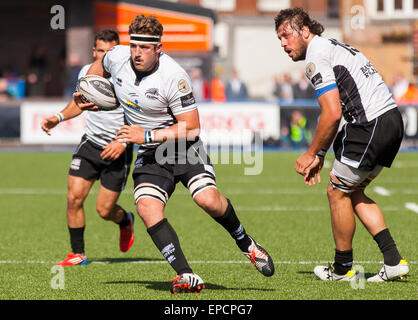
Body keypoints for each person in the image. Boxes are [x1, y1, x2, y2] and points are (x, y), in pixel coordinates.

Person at [77, 15, 274, 294]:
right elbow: (100, 65)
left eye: (145, 48)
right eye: (134, 46)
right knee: (146, 207)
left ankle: (246, 243)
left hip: (180, 146)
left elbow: (192, 128)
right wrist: (90, 90)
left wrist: (145, 134)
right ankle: (186, 274)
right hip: (149, 152)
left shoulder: (174, 76)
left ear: (159, 48)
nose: (137, 53)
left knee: (208, 200)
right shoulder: (117, 56)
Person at [275, 8, 409, 282]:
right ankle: (393, 261)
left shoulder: (315, 55)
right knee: (352, 191)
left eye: (286, 35)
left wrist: (311, 153)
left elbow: (332, 113)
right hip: (390, 120)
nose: (283, 44)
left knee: (337, 192)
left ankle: (342, 269)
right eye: (279, 39)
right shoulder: (332, 45)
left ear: (304, 31)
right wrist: (321, 154)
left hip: (369, 123)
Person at [41, 30, 135, 266]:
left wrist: (122, 142)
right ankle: (77, 253)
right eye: (101, 51)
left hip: (118, 149)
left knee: (104, 211)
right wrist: (59, 117)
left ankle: (125, 220)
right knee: (73, 198)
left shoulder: (129, 76)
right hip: (91, 143)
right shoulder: (87, 73)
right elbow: (79, 103)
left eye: (110, 51)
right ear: (94, 51)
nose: (105, 56)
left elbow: (141, 115)